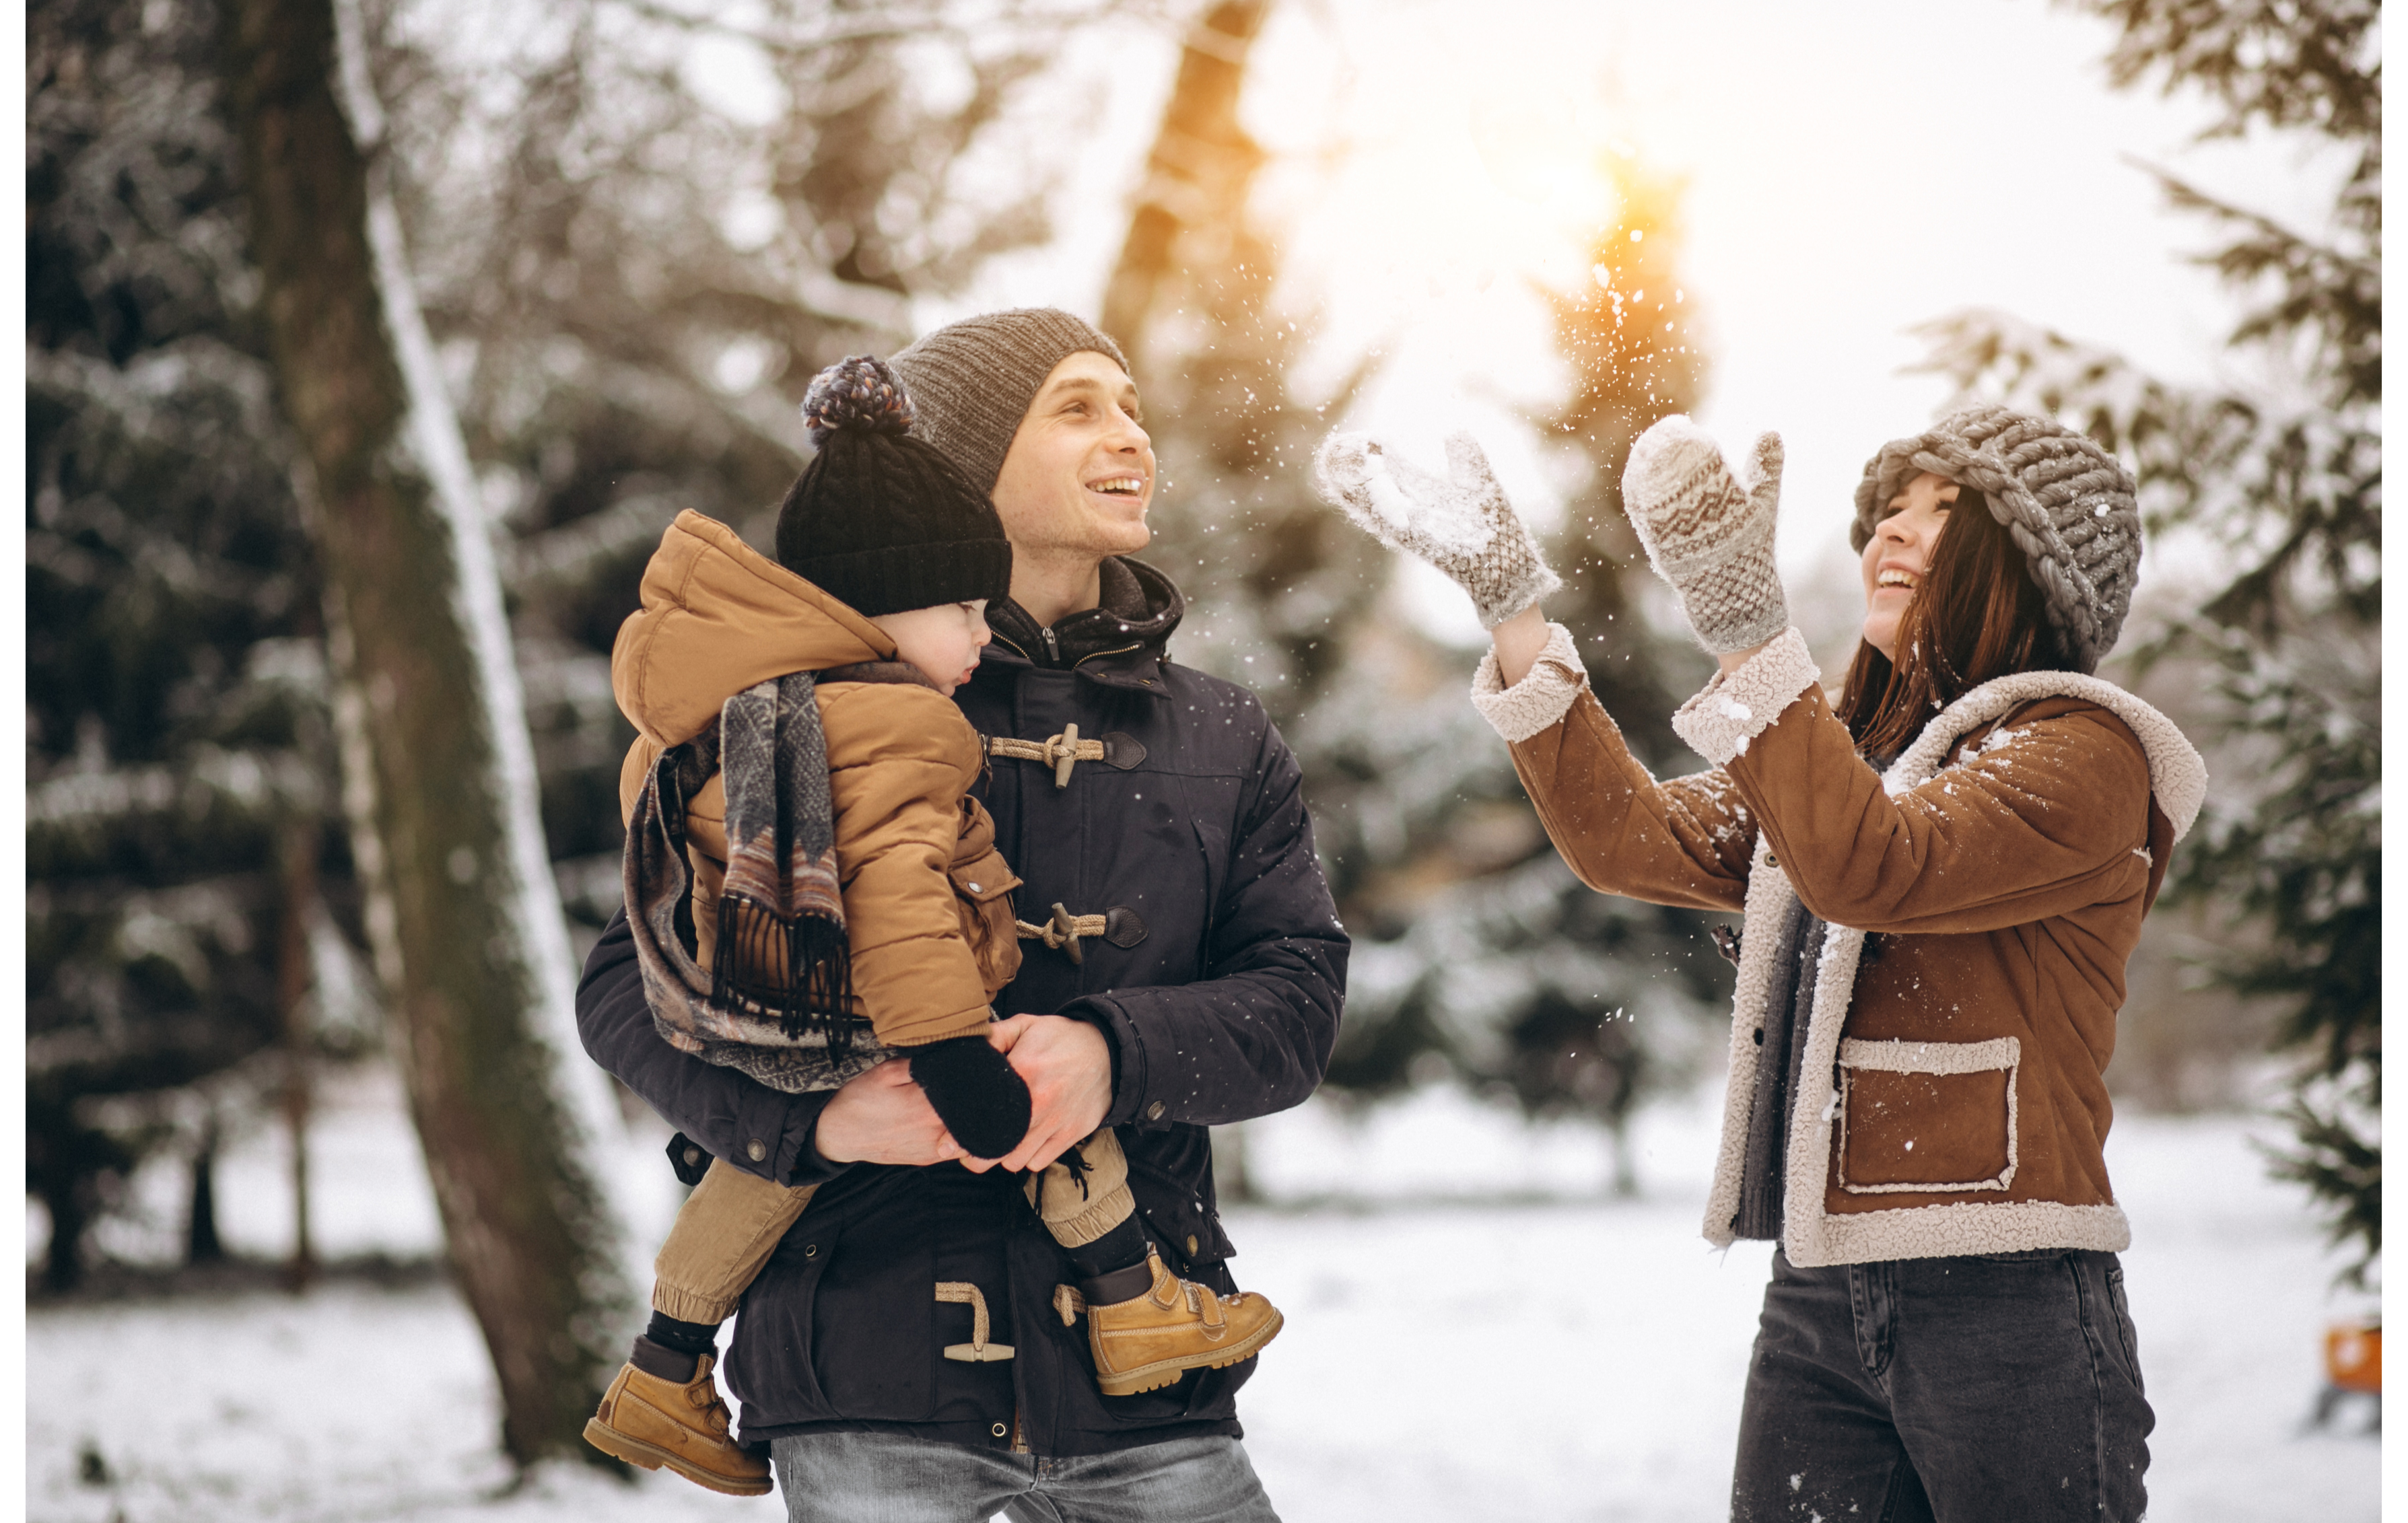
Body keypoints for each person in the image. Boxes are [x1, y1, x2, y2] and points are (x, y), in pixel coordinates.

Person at [1315, 404, 2196, 1522]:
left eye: (1945, 512)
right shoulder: (1851, 761)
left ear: (2034, 571)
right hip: (1818, 1295)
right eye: (1889, 508)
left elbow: (1872, 867)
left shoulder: (2084, 756)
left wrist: (1747, 632)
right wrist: (1516, 614)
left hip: (2005, 1297)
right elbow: (1632, 839)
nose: (1893, 532)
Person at [577, 308, 1344, 1522]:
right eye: (1078, 406)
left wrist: (1113, 1051)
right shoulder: (796, 713)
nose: (1130, 434)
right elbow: (630, 987)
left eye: (1132, 405)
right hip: (861, 1360)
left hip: (1147, 1385)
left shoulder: (1223, 732)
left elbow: (1298, 1003)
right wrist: (816, 1121)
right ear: (973, 460)